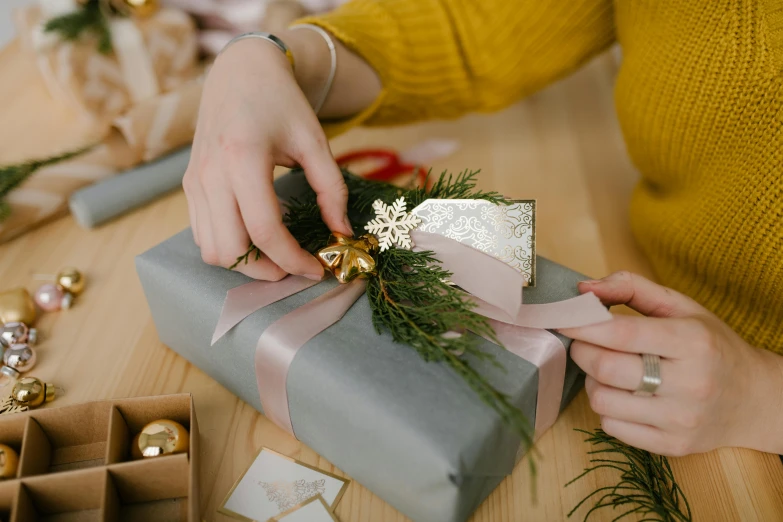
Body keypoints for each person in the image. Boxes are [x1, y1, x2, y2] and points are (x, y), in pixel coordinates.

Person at [183, 0, 783, 458]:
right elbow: (474, 31)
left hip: (744, 434)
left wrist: (763, 397)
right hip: (642, 286)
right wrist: (271, 58)